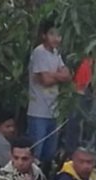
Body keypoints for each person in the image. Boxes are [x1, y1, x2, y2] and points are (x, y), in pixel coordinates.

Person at [27, 19, 71, 167]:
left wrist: (52, 75)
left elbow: (67, 75)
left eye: (59, 35)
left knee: (49, 154)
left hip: (53, 111)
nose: (56, 39)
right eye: (52, 34)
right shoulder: (39, 52)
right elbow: (45, 80)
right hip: (38, 111)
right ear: (44, 35)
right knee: (36, 153)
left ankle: (44, 179)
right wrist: (57, 76)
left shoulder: (56, 53)